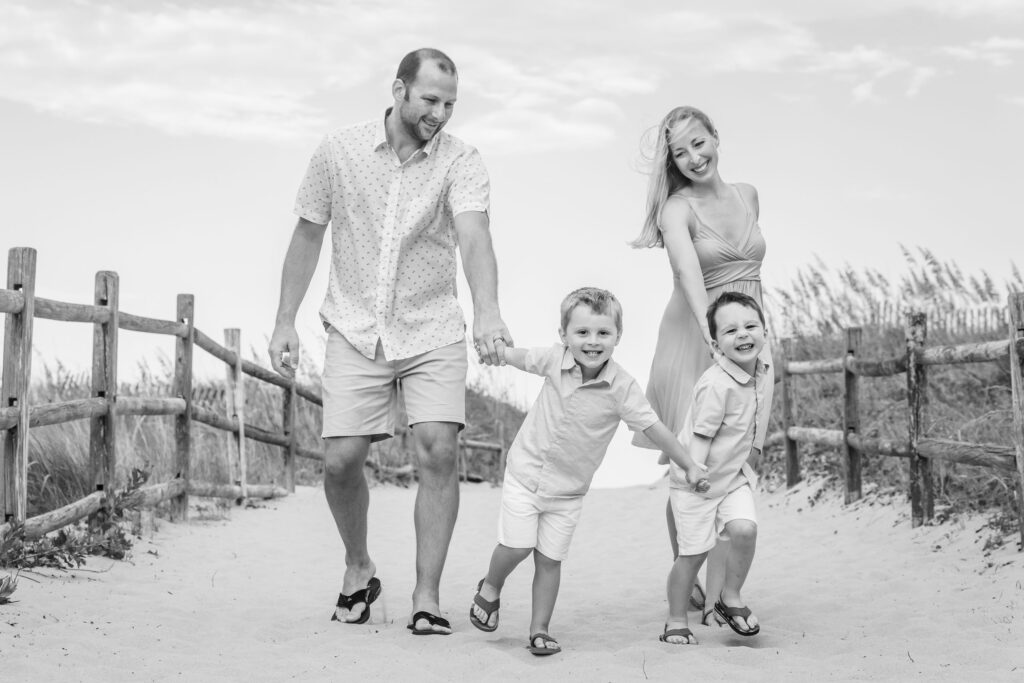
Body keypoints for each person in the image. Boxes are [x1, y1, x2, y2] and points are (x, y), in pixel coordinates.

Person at [268, 48, 512, 636]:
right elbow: (307, 235)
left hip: (431, 326)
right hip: (353, 324)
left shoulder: (463, 161)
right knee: (340, 460)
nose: (441, 114)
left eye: (450, 103)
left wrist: (488, 311)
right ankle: (359, 566)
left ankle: (426, 596)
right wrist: (283, 320)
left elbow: (475, 235)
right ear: (399, 89)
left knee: (437, 450)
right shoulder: (338, 151)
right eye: (430, 100)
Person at [468, 287, 709, 656]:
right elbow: (518, 357)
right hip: (526, 474)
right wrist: (495, 353)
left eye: (602, 333)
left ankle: (540, 630)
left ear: (617, 337)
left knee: (550, 560)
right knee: (517, 546)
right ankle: (491, 587)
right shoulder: (553, 360)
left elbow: (654, 428)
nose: (592, 341)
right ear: (563, 335)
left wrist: (689, 463)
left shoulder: (622, 387)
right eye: (582, 332)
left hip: (569, 491)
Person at [630, 105, 773, 627]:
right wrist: (713, 342)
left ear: (716, 136)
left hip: (748, 336)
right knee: (692, 460)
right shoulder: (676, 209)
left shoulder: (749, 194)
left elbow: (752, 273)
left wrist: (757, 343)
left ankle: (719, 591)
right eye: (679, 151)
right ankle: (688, 576)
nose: (693, 157)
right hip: (696, 335)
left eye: (699, 142)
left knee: (736, 454)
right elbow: (691, 277)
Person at [661, 291, 769, 644]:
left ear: (764, 332)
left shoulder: (760, 371)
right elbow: (702, 436)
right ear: (717, 345)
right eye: (730, 331)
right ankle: (677, 620)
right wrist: (695, 470)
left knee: (745, 531)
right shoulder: (716, 384)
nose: (743, 334)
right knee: (692, 555)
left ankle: (729, 597)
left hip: (731, 477)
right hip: (698, 479)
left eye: (751, 326)